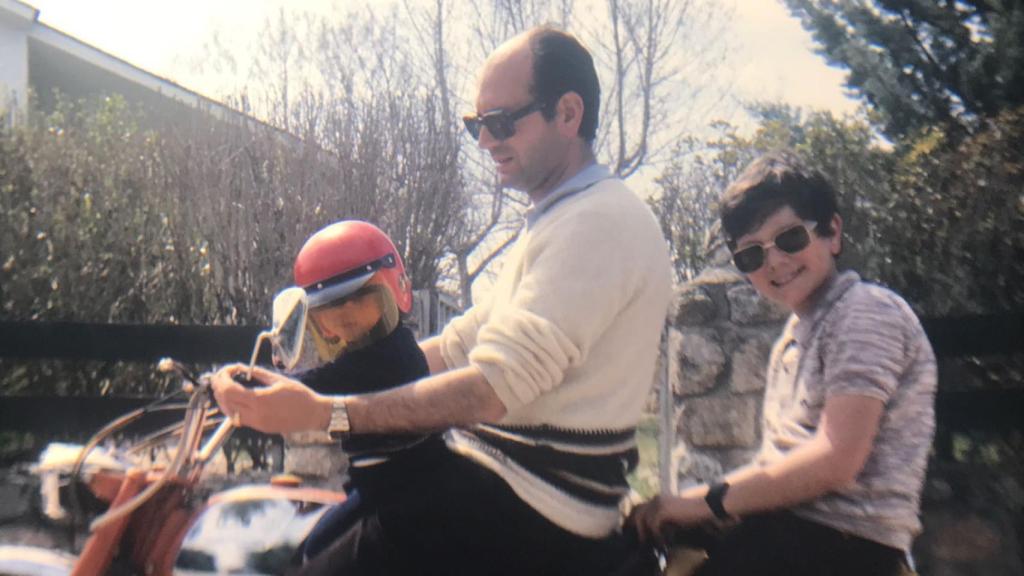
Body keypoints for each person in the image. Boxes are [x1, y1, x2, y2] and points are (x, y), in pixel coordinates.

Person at [212, 26, 672, 576]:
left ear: (568, 114)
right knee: (313, 541)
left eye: (501, 123)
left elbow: (489, 391)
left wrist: (326, 415)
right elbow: (456, 347)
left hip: (535, 509)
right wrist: (307, 385)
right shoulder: (561, 220)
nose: (485, 141)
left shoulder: (598, 222)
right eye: (476, 125)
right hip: (502, 486)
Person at [629, 151, 936, 576]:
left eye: (789, 238)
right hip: (787, 537)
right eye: (751, 256)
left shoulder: (865, 311)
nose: (773, 261)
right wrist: (682, 506)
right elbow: (774, 467)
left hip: (845, 546)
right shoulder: (793, 339)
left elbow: (836, 459)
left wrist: (703, 503)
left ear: (832, 232)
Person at [275, 220, 445, 561]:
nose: (347, 316)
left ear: (397, 291)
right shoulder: (369, 356)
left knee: (313, 557)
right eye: (331, 310)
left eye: (362, 300)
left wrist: (259, 387)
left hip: (404, 491)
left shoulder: (388, 356)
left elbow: (316, 384)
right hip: (381, 482)